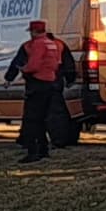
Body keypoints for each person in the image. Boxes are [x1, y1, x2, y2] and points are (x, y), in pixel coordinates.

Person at [12, 17, 72, 162]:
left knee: (33, 119)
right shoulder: (54, 44)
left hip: (37, 84)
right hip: (53, 84)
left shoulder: (35, 45)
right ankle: (47, 148)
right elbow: (64, 63)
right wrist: (70, 78)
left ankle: (33, 152)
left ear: (34, 31)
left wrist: (23, 71)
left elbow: (33, 65)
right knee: (49, 117)